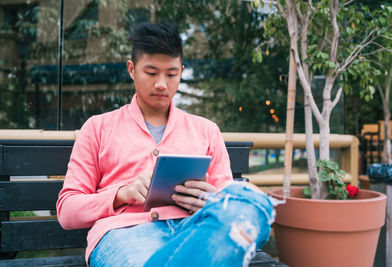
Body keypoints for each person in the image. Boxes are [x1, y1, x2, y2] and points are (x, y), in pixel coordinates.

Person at [56, 22, 278, 267]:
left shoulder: (206, 130)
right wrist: (122, 194)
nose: (161, 83)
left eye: (171, 74)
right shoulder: (98, 128)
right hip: (125, 234)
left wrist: (210, 200)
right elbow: (67, 211)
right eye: (151, 73)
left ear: (181, 71)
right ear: (131, 69)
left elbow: (227, 205)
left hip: (194, 230)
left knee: (249, 202)